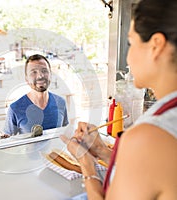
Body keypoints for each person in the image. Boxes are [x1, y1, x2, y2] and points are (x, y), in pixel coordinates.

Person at [61, 0, 177, 199]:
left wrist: (86, 162)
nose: (128, 57)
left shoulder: (149, 136)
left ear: (156, 46)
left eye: (131, 43)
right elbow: (149, 172)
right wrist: (103, 152)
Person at [4, 54, 69, 135]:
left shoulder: (61, 102)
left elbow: (65, 134)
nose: (40, 76)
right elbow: (7, 142)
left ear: (50, 74)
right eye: (34, 72)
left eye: (44, 71)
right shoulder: (15, 109)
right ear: (26, 79)